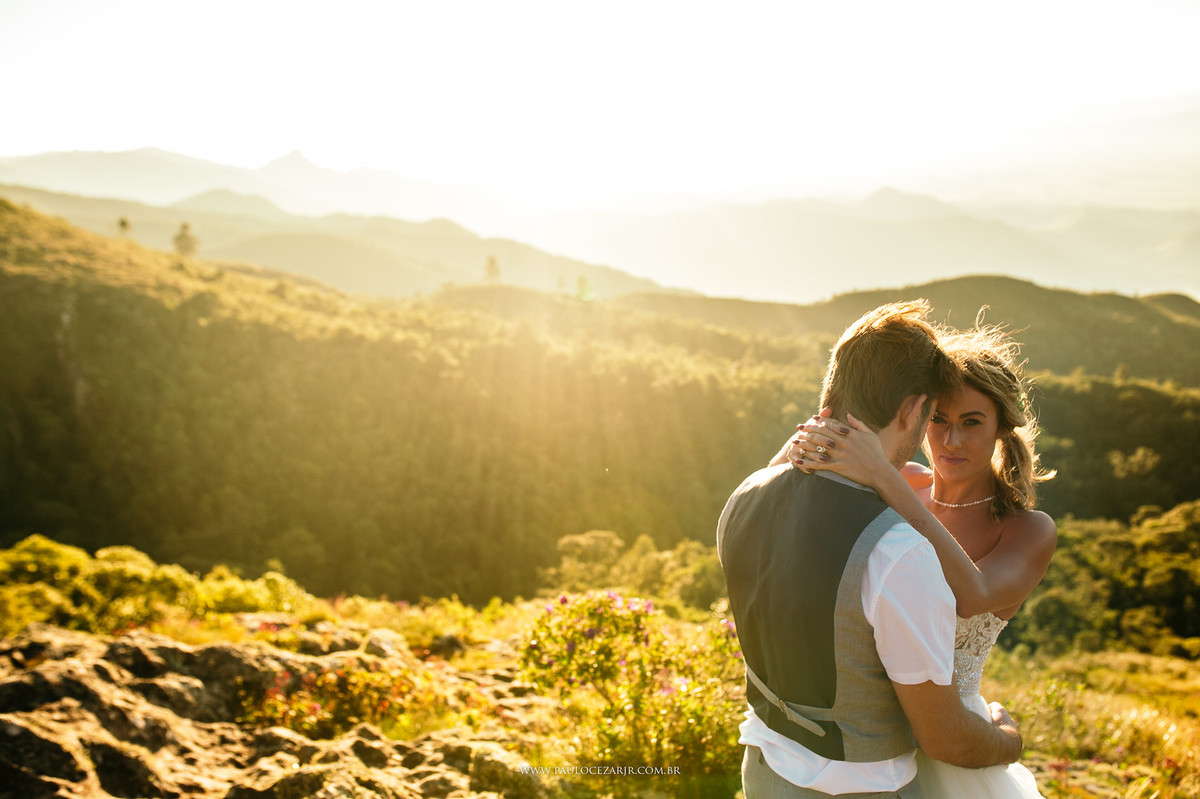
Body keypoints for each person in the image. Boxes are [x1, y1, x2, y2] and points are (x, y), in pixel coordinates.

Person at [717, 300, 1024, 799]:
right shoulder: (897, 550)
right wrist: (1009, 741)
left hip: (763, 769)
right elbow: (945, 738)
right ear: (911, 412)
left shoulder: (743, 498)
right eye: (933, 416)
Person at [782, 322, 1057, 798]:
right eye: (939, 420)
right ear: (917, 415)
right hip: (867, 733)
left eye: (972, 422)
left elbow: (975, 597)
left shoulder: (1028, 528)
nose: (951, 441)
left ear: (1000, 429)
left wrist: (884, 479)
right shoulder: (904, 478)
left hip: (952, 746)